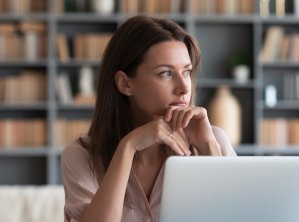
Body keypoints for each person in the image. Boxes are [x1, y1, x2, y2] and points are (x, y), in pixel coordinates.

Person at [61, 14, 236, 222]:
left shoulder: (213, 140)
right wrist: (128, 147)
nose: (184, 88)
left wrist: (208, 147)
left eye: (186, 72)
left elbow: (239, 216)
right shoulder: (82, 156)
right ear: (125, 84)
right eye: (165, 73)